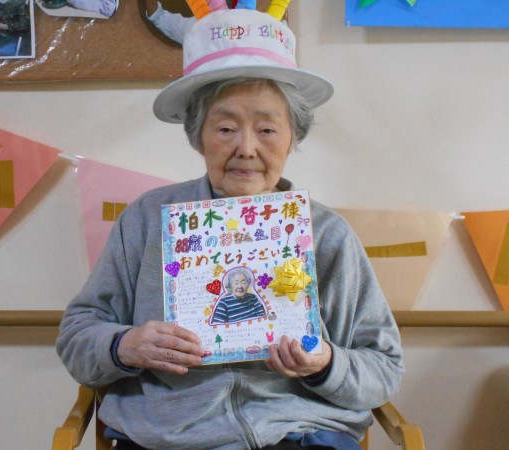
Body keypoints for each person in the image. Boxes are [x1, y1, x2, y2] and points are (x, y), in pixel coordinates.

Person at [57, 5, 404, 450]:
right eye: (225, 128)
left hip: (300, 433)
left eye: (267, 129)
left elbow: (384, 369)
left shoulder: (326, 233)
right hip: (168, 438)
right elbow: (77, 337)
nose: (246, 148)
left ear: (292, 137)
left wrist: (325, 364)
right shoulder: (147, 219)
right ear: (198, 135)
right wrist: (125, 345)